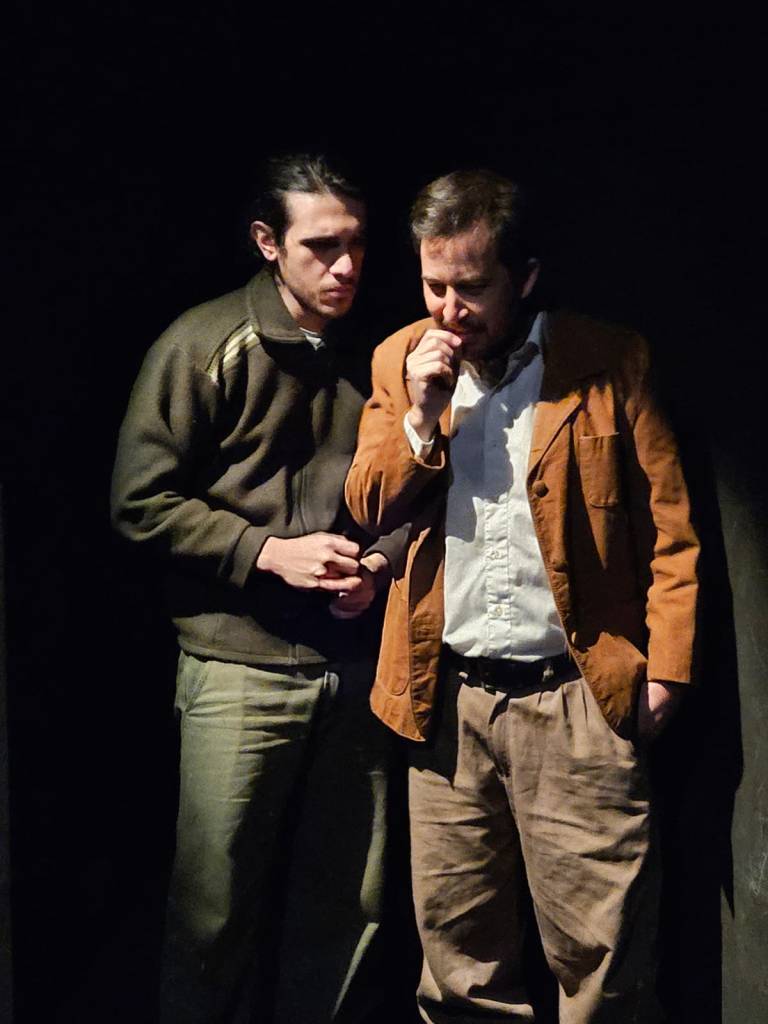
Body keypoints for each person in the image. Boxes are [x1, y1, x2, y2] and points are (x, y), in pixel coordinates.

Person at [344, 169, 700, 1023]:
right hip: (448, 707)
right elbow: (368, 503)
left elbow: (672, 530)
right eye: (433, 285)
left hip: (576, 703)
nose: (449, 309)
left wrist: (666, 673)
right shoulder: (399, 359)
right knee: (458, 966)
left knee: (604, 967)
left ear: (525, 276)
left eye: (471, 287)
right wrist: (421, 420)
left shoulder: (609, 360)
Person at [111, 154, 400, 1024]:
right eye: (321, 246)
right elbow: (138, 502)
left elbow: (423, 487)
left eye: (356, 244)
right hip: (239, 669)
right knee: (214, 908)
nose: (345, 266)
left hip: (356, 669)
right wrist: (265, 552)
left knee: (349, 902)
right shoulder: (205, 344)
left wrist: (379, 565)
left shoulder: (383, 349)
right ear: (268, 243)